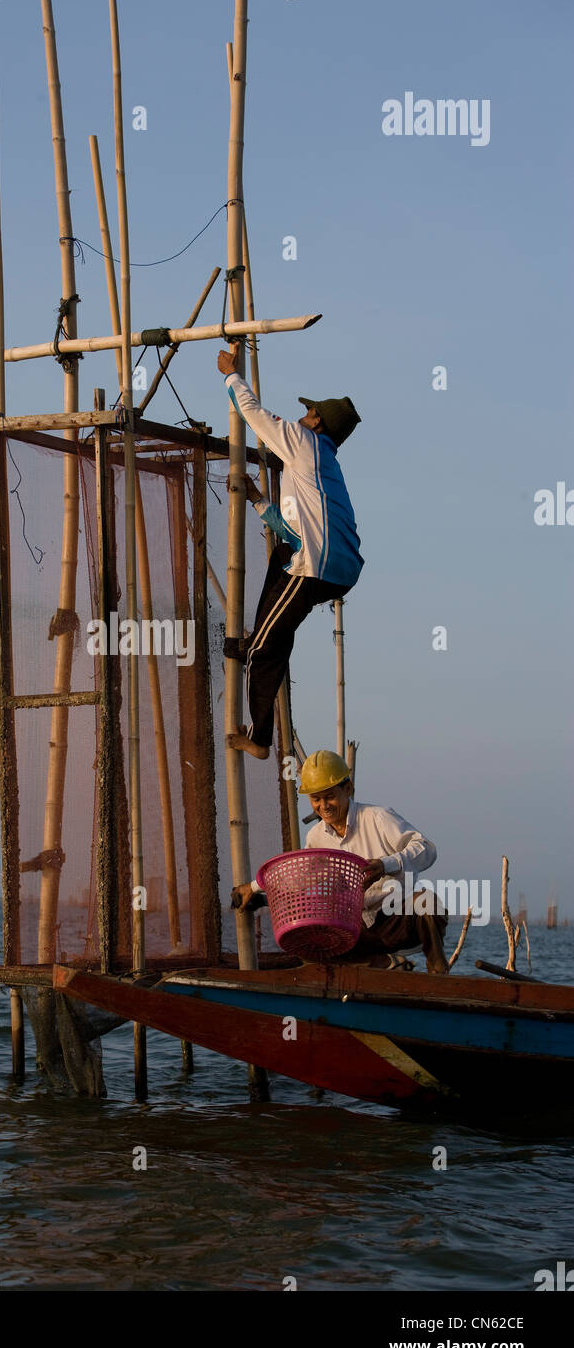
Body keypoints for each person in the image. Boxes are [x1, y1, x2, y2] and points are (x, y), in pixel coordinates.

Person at [216, 346, 363, 760]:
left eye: (309, 412)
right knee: (282, 557)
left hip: (319, 567)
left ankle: (261, 739)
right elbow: (299, 534)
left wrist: (230, 375)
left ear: (316, 421)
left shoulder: (303, 444)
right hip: (330, 565)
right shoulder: (320, 464)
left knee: (264, 650)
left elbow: (255, 415)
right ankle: (258, 639)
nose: (302, 416)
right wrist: (261, 502)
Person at [232, 750, 449, 974]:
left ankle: (437, 967)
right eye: (316, 799)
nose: (323, 805)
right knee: (306, 943)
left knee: (428, 902)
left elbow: (426, 849)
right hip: (356, 928)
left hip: (396, 919)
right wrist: (256, 890)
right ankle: (381, 963)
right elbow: (297, 881)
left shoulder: (377, 817)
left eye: (330, 796)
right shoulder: (316, 837)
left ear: (348, 789)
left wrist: (386, 865)